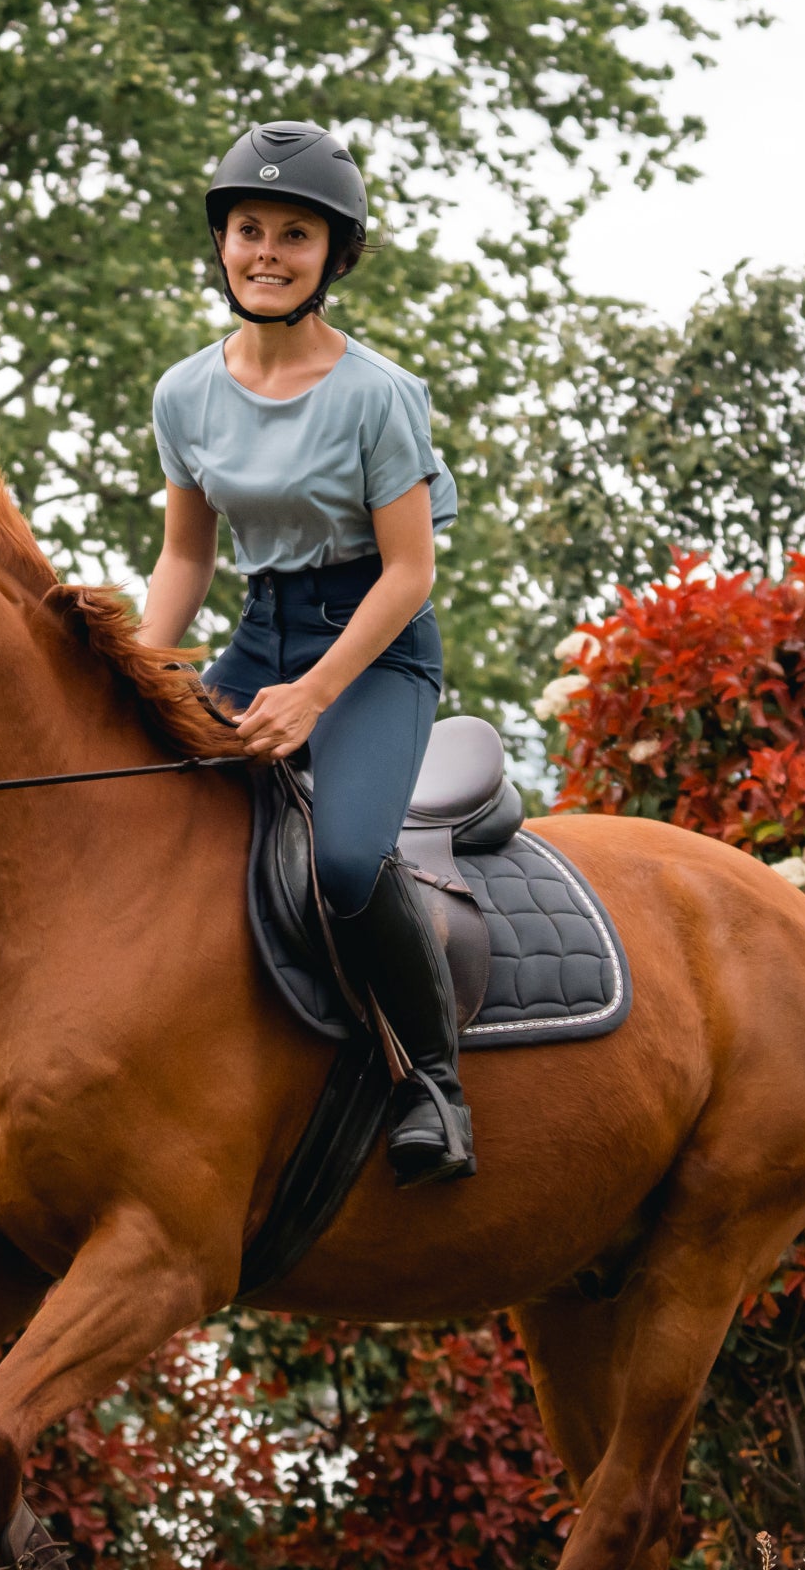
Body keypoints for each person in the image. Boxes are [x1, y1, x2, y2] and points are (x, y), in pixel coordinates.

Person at [136, 120, 473, 1188]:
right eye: (249, 230)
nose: (267, 252)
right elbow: (185, 557)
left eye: (294, 233)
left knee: (339, 860)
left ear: (335, 256)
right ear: (221, 244)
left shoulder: (378, 394)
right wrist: (140, 670)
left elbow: (410, 573)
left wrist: (317, 697)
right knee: (127, 801)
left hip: (373, 652)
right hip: (258, 630)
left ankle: (433, 1080)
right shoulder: (185, 393)